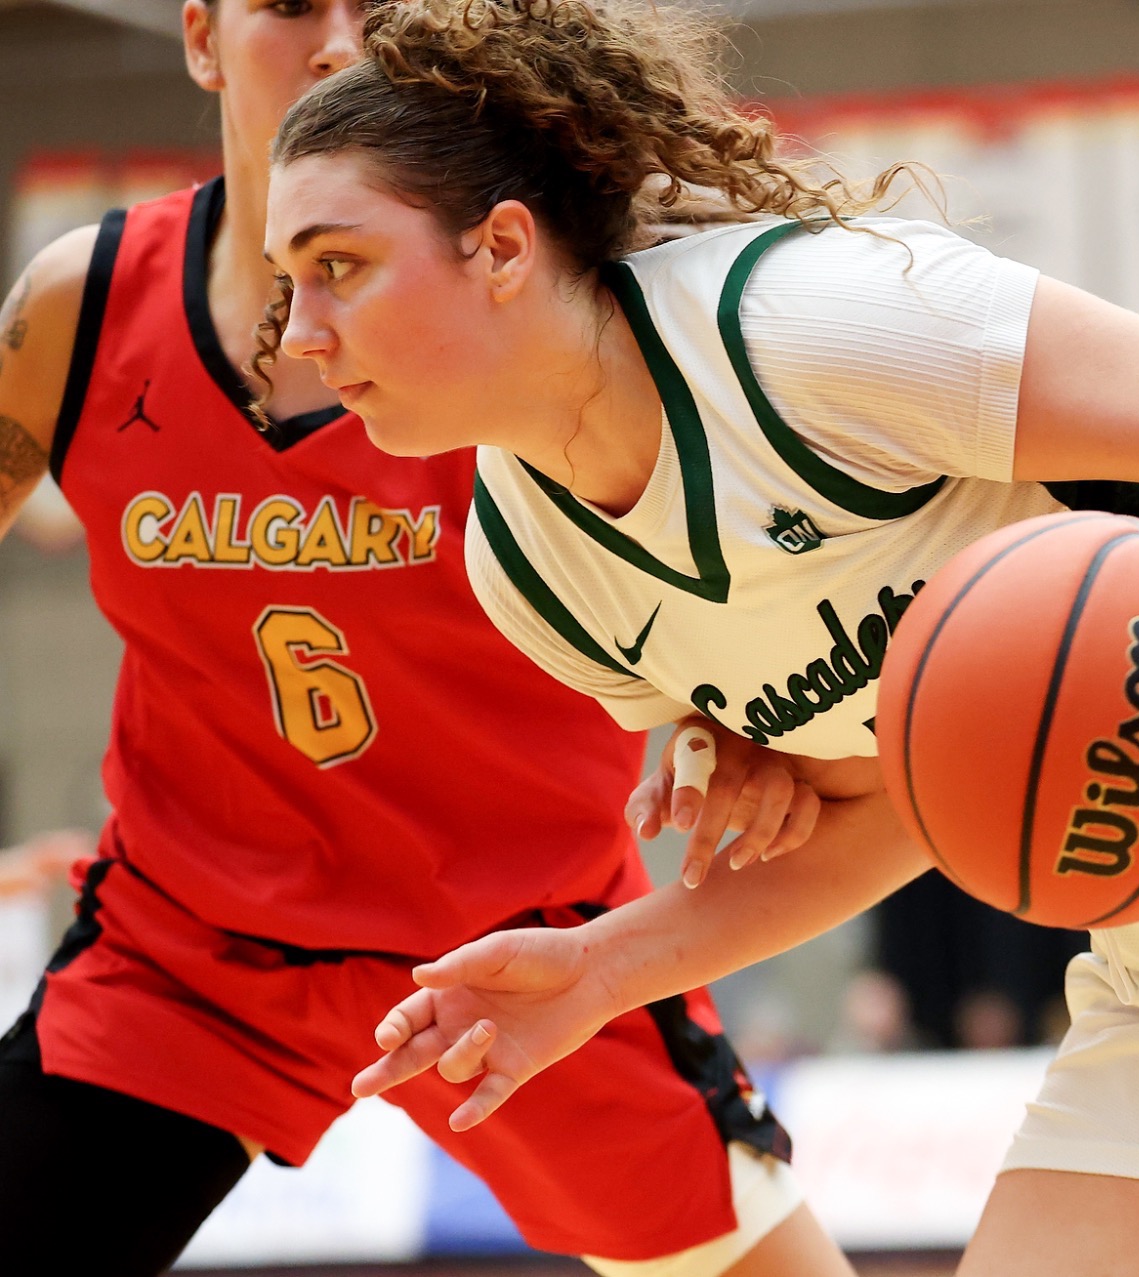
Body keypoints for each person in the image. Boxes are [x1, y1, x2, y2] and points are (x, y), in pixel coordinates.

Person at [265, 3, 1139, 1273]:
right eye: (287, 285)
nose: (302, 333)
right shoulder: (535, 575)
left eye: (339, 265)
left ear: (502, 246)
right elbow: (911, 809)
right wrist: (601, 971)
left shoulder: (802, 330)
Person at [0, 3, 851, 1275]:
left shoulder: (533, 305)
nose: (340, 41)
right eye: (290, 6)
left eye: (382, 8)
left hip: (527, 954)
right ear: (200, 38)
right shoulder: (82, 309)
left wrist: (727, 720)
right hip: (192, 948)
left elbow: (718, 569)